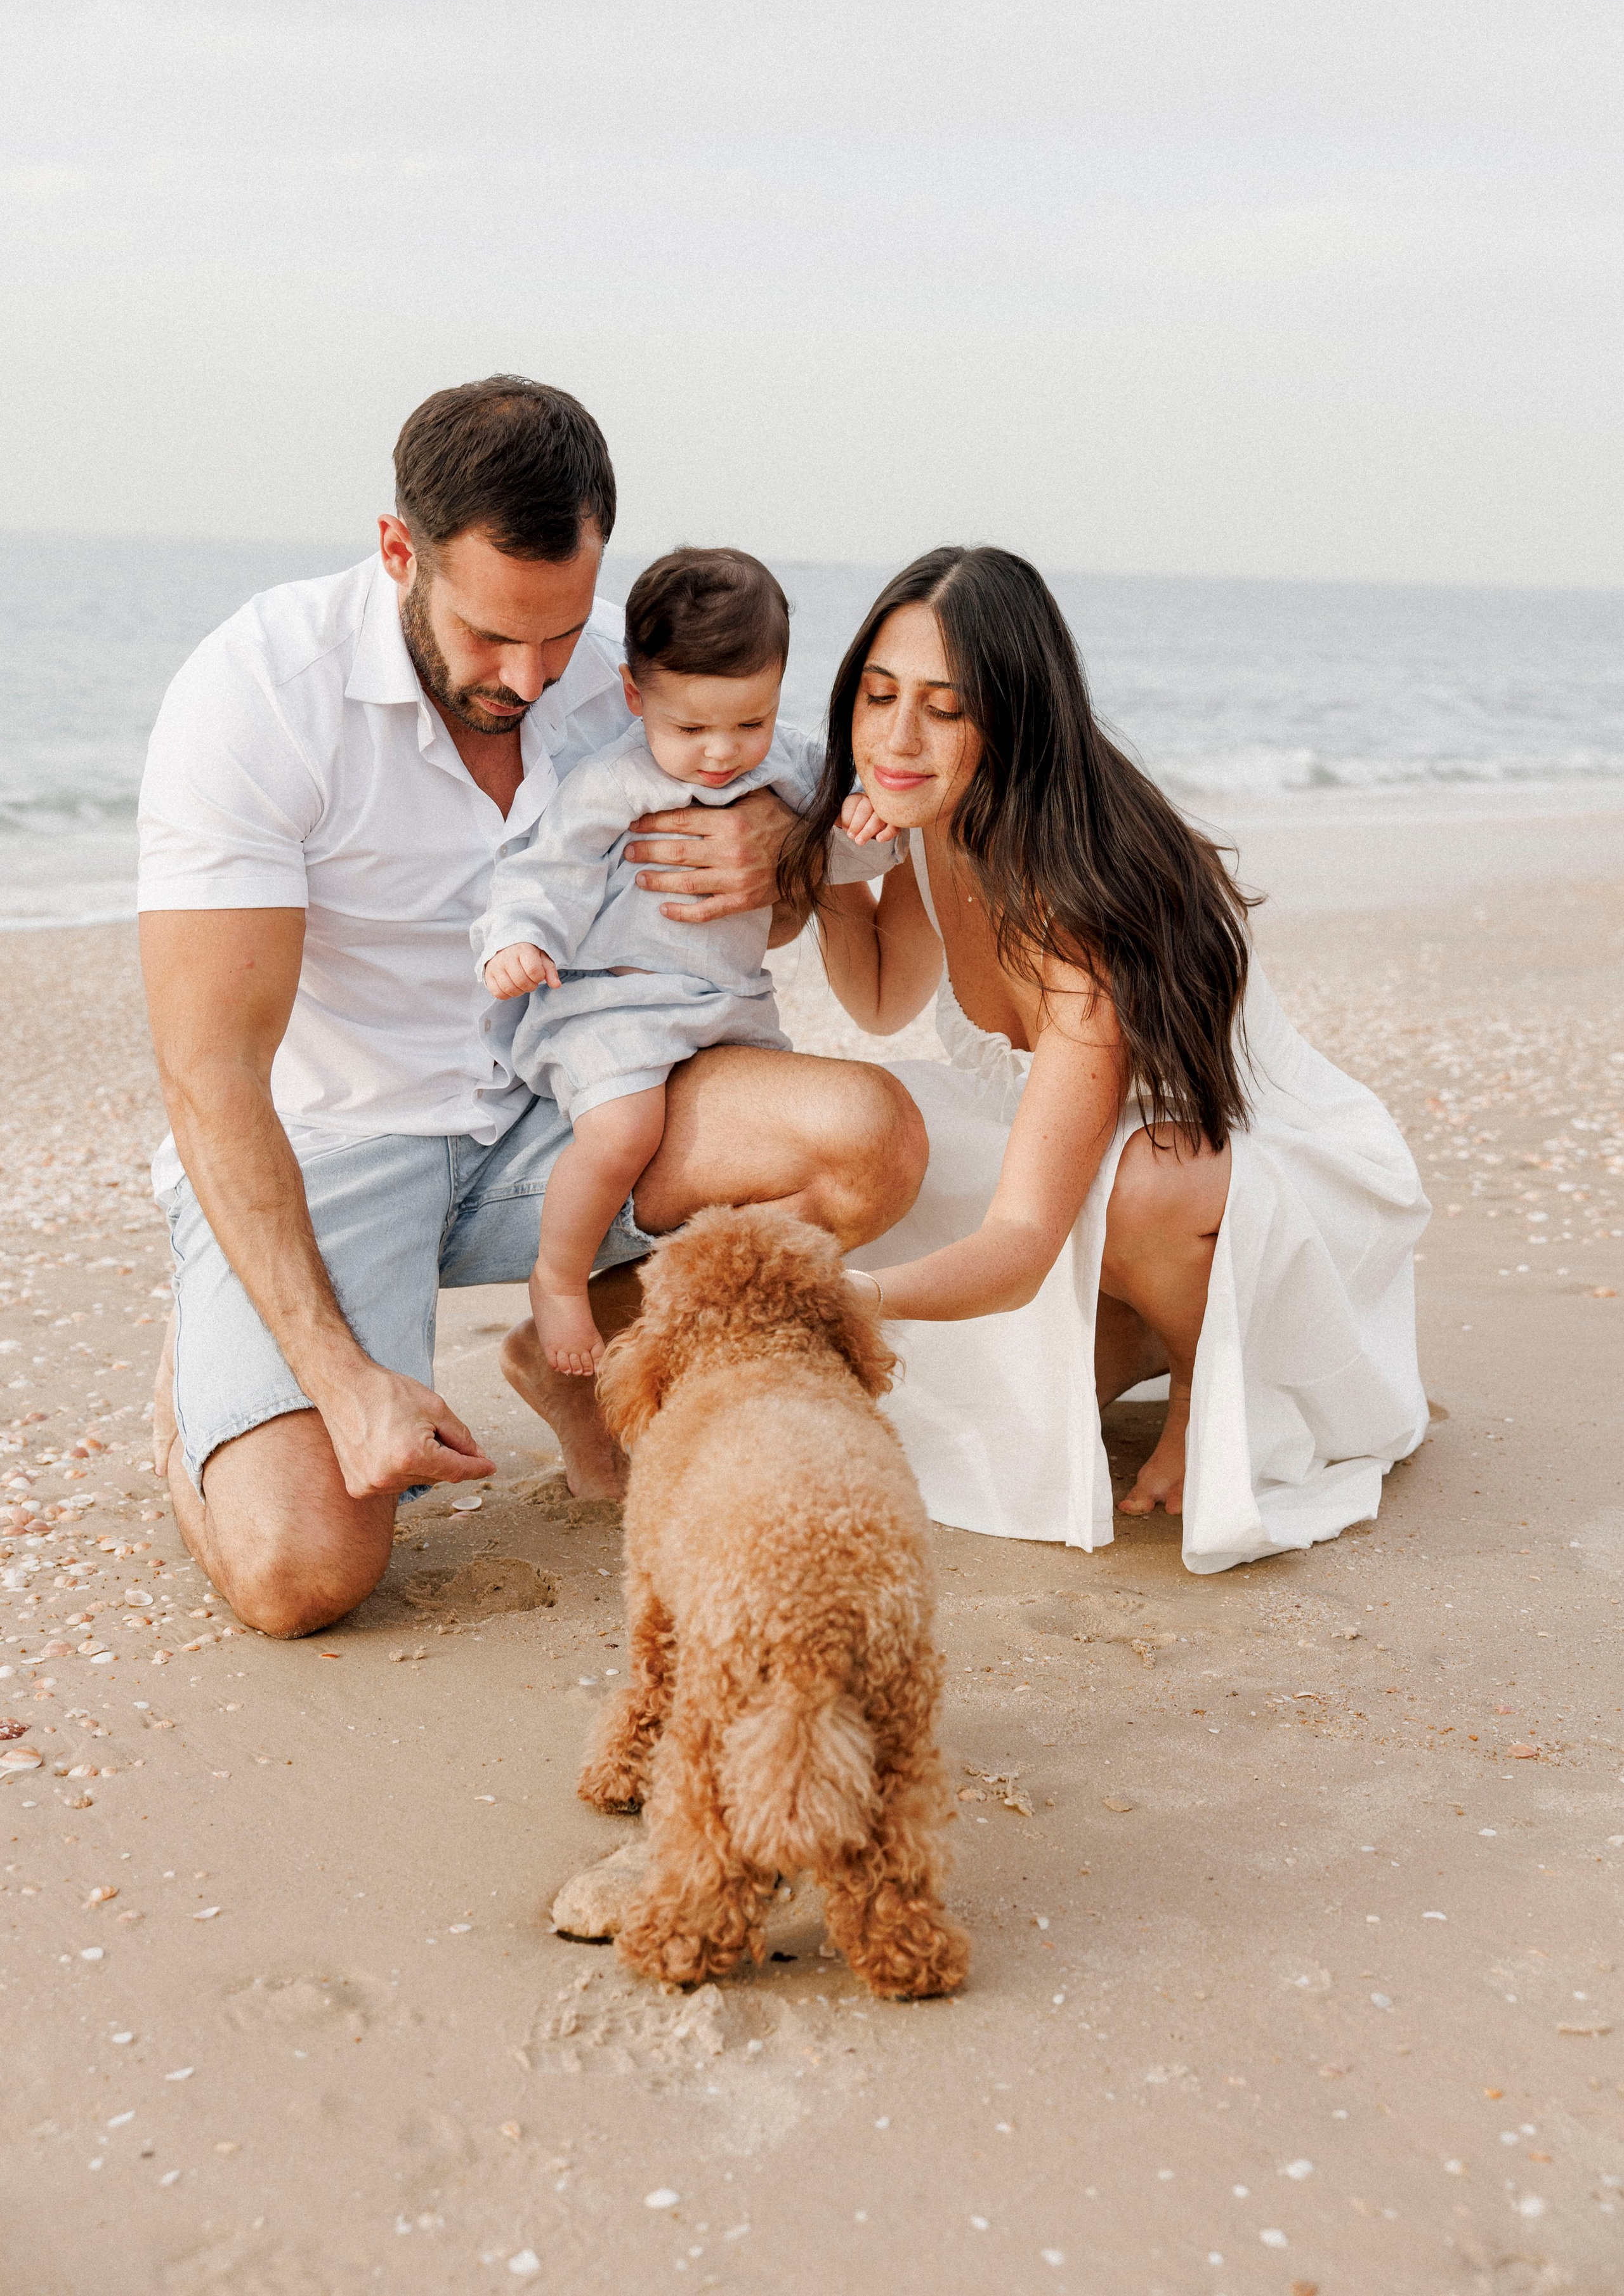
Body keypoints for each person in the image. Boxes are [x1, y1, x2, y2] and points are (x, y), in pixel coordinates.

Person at [136, 377, 926, 1638]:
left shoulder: (627, 670)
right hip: (336, 1142)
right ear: (399, 549)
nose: (527, 675)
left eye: (558, 635)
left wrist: (780, 850)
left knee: (865, 1139)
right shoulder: (256, 692)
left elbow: (786, 864)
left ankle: (581, 1369)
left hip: (569, 1099)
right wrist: (343, 1384)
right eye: (492, 634)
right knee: (300, 1574)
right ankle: (202, 1393)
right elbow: (210, 1070)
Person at [794, 547, 1430, 1573]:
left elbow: (1022, 1238)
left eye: (946, 709)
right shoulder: (937, 818)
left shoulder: (1078, 906)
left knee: (1145, 1188)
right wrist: (829, 860)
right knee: (869, 1106)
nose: (898, 738)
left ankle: (1199, 1376)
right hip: (1079, 1147)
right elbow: (879, 999)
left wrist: (827, 1292)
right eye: (878, 695)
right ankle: (1130, 1324)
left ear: (1015, 717)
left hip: (1257, 1174)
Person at [473, 544, 898, 1375]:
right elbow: (543, 870)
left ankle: (693, 1322)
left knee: (771, 1155)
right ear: (636, 698)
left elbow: (829, 853)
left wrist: (868, 829)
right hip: (613, 1010)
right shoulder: (614, 781)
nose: (721, 752)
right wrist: (520, 941)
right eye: (692, 727)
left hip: (729, 1008)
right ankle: (559, 1280)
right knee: (624, 1129)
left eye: (751, 721)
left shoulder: (787, 766)